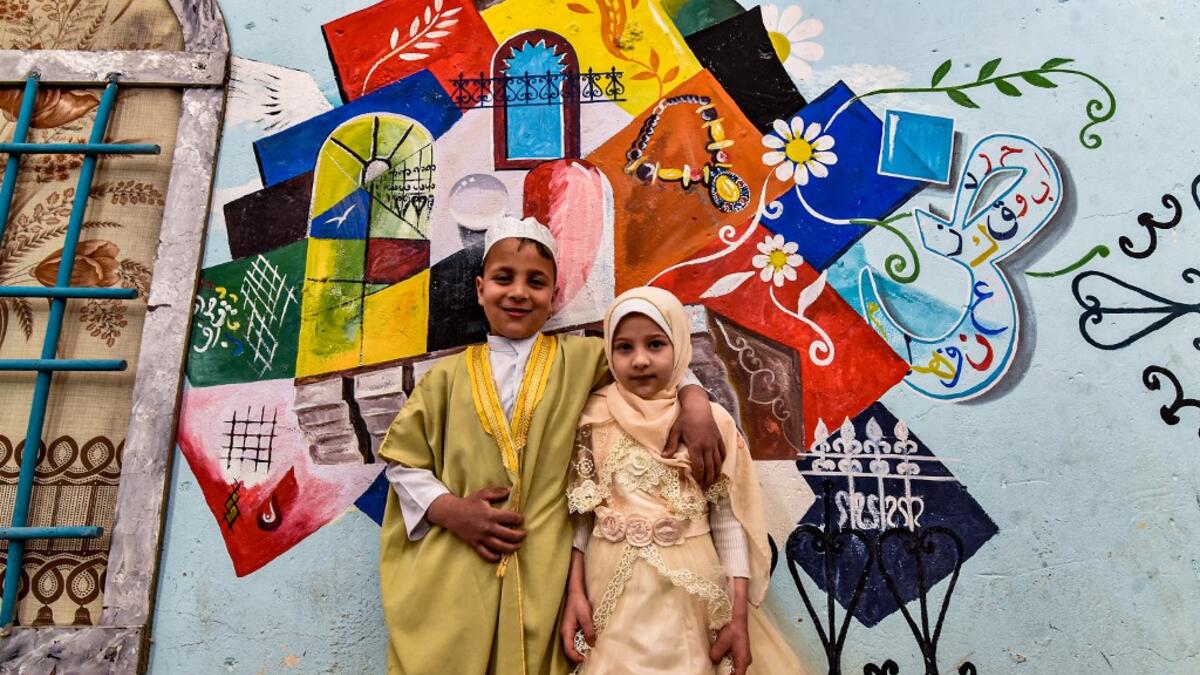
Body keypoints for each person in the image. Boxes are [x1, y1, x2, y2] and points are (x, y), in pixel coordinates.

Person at [378, 216, 724, 675]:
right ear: (480, 289)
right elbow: (403, 463)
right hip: (457, 564)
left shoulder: (583, 359)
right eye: (504, 278)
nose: (519, 292)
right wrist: (448, 510)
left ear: (554, 294)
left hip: (544, 569)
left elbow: (659, 364)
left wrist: (695, 402)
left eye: (535, 282)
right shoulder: (443, 379)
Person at [560, 286, 809, 675]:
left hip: (690, 590)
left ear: (679, 344)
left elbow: (727, 522)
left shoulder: (711, 424)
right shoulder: (593, 417)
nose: (640, 360)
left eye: (656, 344)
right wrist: (574, 591)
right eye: (624, 348)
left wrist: (738, 613)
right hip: (605, 585)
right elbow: (581, 515)